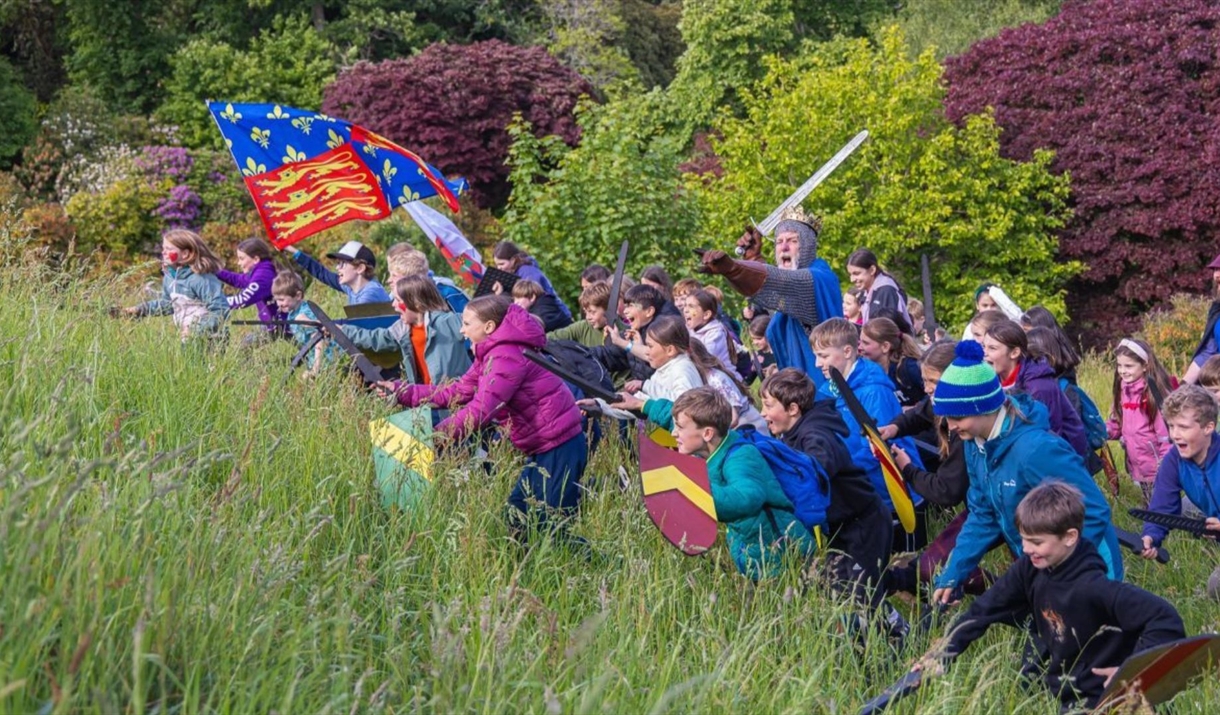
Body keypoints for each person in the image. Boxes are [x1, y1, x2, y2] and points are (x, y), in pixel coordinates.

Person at [915, 482, 1184, 712]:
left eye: (1037, 542)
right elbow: (984, 610)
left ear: (1069, 537)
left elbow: (1164, 618)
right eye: (1024, 540)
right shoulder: (1029, 568)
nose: (1027, 549)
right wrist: (942, 654)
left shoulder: (1094, 587)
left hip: (1113, 701)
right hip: (1069, 698)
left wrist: (1131, 675)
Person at [929, 341, 1123, 604]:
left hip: (1086, 564)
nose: (950, 427)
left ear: (984, 407)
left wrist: (1060, 570)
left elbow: (1095, 511)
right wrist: (954, 572)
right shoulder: (974, 446)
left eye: (957, 417)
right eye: (946, 418)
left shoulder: (1036, 450)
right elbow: (983, 513)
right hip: (1043, 568)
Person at [392, 296, 588, 544]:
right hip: (543, 446)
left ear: (489, 328)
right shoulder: (492, 353)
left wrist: (435, 438)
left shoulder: (506, 356)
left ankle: (602, 567)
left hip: (560, 445)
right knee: (517, 517)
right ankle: (523, 577)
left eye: (467, 323)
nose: (461, 330)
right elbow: (456, 392)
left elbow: (481, 410)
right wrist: (401, 391)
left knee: (549, 527)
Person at [760, 369, 892, 595]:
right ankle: (896, 619)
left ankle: (905, 624)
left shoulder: (816, 435)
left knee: (864, 593)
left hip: (863, 524)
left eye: (768, 405)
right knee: (841, 588)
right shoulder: (792, 433)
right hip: (839, 527)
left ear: (793, 409)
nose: (762, 413)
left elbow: (817, 467)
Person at [881, 341, 991, 596]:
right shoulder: (942, 403)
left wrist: (907, 469)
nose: (926, 388)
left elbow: (946, 491)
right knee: (937, 563)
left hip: (994, 507)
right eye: (924, 380)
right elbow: (921, 413)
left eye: (932, 381)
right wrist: (894, 428)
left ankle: (1002, 597)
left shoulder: (968, 432)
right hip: (982, 505)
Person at [670, 387, 814, 580]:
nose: (673, 433)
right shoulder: (716, 445)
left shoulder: (740, 457)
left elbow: (746, 498)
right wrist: (642, 405)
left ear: (707, 434)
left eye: (678, 427)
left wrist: (693, 488)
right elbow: (680, 420)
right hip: (757, 552)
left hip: (781, 556)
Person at [810, 318, 926, 537]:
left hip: (892, 495)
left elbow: (878, 448)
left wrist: (839, 472)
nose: (817, 363)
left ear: (847, 351)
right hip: (861, 490)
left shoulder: (874, 391)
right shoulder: (830, 390)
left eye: (823, 356)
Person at [698, 206, 843, 377]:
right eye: (779, 242)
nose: (784, 247)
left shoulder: (819, 278)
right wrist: (752, 260)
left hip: (826, 388)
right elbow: (775, 289)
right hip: (798, 385)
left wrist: (734, 268)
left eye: (792, 241)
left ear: (807, 247)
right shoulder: (790, 287)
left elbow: (781, 281)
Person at [983, 319, 1091, 459]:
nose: (984, 353)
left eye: (992, 348)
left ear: (1014, 352)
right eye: (983, 347)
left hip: (1061, 457)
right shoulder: (994, 378)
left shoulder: (1038, 386)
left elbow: (1049, 433)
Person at [348, 275, 471, 387]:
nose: (393, 305)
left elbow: (479, 322)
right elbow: (375, 338)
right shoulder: (403, 329)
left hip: (455, 400)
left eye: (398, 300)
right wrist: (343, 330)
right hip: (427, 399)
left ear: (416, 303)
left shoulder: (446, 322)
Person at [1140, 385, 1220, 556]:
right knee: (1184, 508)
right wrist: (1151, 535)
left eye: (1183, 427)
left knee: (1215, 583)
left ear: (1208, 427)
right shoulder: (1174, 460)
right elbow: (1162, 506)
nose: (1175, 435)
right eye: (1171, 426)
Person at [119, 229, 229, 343]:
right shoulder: (170, 277)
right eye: (163, 248)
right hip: (188, 336)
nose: (163, 253)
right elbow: (168, 305)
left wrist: (197, 328)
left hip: (210, 338)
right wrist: (140, 309)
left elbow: (220, 310)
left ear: (185, 254)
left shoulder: (202, 279)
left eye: (169, 249)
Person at [590, 315, 705, 420]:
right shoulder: (663, 370)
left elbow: (683, 405)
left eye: (650, 346)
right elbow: (635, 404)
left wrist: (645, 385)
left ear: (670, 350)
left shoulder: (682, 369)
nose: (647, 352)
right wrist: (599, 404)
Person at [1106, 338, 1173, 504]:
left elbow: (1166, 434)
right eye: (1119, 365)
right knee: (1148, 501)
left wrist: (1166, 462)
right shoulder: (1122, 390)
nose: (1122, 371)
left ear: (1145, 365)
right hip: (1137, 461)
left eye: (1128, 366)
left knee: (1161, 504)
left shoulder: (1152, 394)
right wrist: (1101, 431)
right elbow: (1116, 423)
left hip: (1156, 462)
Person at [594, 283, 669, 388]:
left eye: (630, 306)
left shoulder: (663, 334)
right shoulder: (632, 333)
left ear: (649, 311)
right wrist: (583, 353)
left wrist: (621, 342)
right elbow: (610, 356)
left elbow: (651, 356)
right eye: (625, 306)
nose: (625, 311)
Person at [216, 237, 285, 342]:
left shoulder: (263, 276)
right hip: (273, 323)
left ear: (256, 259)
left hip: (285, 323)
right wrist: (214, 270)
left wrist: (214, 302)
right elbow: (238, 280)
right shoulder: (261, 270)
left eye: (242, 258)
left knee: (308, 352)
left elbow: (243, 300)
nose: (238, 263)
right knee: (245, 347)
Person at [271, 271, 335, 376]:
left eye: (282, 299)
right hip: (313, 359)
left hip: (326, 362)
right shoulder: (293, 312)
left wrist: (316, 368)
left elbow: (319, 338)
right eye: (276, 300)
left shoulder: (304, 314)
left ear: (298, 295)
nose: (279, 304)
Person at [287, 240, 390, 305]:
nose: (337, 267)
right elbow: (323, 274)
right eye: (338, 263)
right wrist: (294, 252)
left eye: (342, 263)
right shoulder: (352, 288)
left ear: (360, 268)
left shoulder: (370, 293)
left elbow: (355, 327)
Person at [492, 241, 573, 322]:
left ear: (513, 260)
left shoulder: (529, 273)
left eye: (502, 264)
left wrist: (501, 295)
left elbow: (527, 301)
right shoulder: (514, 272)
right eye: (497, 265)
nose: (499, 268)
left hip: (554, 317)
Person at [859, 317, 925, 408]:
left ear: (885, 347)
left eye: (865, 343)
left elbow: (935, 394)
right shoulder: (868, 372)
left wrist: (916, 410)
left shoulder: (908, 368)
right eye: (860, 342)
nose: (859, 348)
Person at [385, 243, 469, 313]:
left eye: (394, 275)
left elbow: (465, 324)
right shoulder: (393, 298)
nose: (389, 280)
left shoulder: (448, 294)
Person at [846, 248, 912, 328]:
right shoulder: (866, 292)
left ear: (872, 270)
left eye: (857, 273)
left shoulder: (886, 291)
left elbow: (886, 331)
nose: (852, 279)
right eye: (850, 274)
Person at [683, 289, 741, 380]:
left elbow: (703, 359)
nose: (685, 310)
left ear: (706, 315)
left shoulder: (716, 333)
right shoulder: (689, 330)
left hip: (722, 381)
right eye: (685, 305)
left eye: (691, 306)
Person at [1184, 252, 1220, 385]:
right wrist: (1184, 386)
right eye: (1216, 270)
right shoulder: (1217, 312)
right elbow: (1208, 351)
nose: (1217, 274)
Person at [548, 281, 611, 348]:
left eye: (592, 312)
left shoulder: (620, 332)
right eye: (586, 312)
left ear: (607, 308)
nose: (588, 317)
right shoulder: (583, 327)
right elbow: (553, 336)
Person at [748, 315, 777, 381]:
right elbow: (749, 379)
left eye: (759, 338)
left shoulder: (782, 352)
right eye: (753, 339)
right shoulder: (757, 357)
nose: (755, 342)